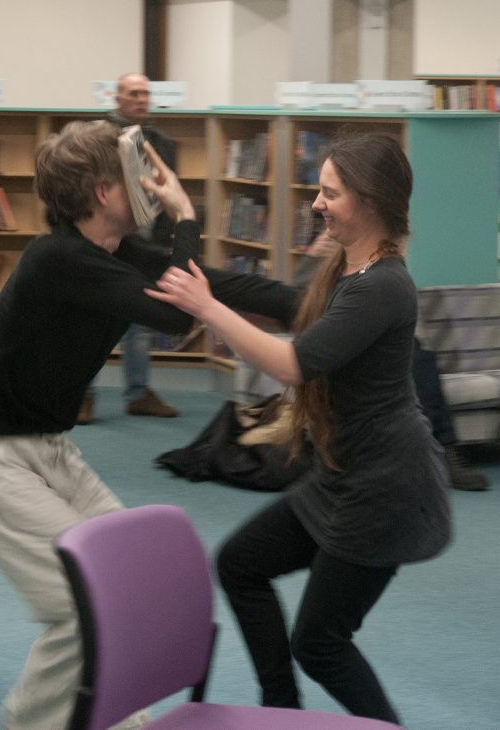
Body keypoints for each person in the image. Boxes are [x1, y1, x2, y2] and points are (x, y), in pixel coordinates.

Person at [148, 133, 452, 723]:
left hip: (384, 492)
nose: (316, 203)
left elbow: (292, 362)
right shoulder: (348, 268)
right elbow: (281, 303)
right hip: (341, 478)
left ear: (368, 200)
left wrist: (209, 309)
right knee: (240, 564)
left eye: (329, 193)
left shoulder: (383, 286)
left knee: (320, 643)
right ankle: (281, 709)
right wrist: (183, 219)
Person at [0, 120, 198, 730]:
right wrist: (183, 214)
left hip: (49, 453)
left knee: (131, 582)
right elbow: (182, 316)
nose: (143, 184)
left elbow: (202, 290)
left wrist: (314, 305)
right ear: (104, 194)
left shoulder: (110, 252)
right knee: (89, 603)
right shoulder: (60, 259)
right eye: (132, 176)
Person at [296, 232, 490, 491]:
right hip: (334, 338)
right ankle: (437, 450)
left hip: (371, 337)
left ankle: (443, 450)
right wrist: (313, 256)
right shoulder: (324, 252)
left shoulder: (375, 259)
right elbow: (297, 297)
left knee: (419, 355)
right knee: (411, 354)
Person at [77, 72, 180, 424]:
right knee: (94, 320)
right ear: (118, 98)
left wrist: (165, 240)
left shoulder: (162, 142)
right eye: (133, 93)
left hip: (147, 244)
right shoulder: (97, 136)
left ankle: (138, 394)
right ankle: (83, 396)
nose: (141, 99)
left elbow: (171, 190)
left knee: (140, 323)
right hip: (105, 240)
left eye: (145, 93)